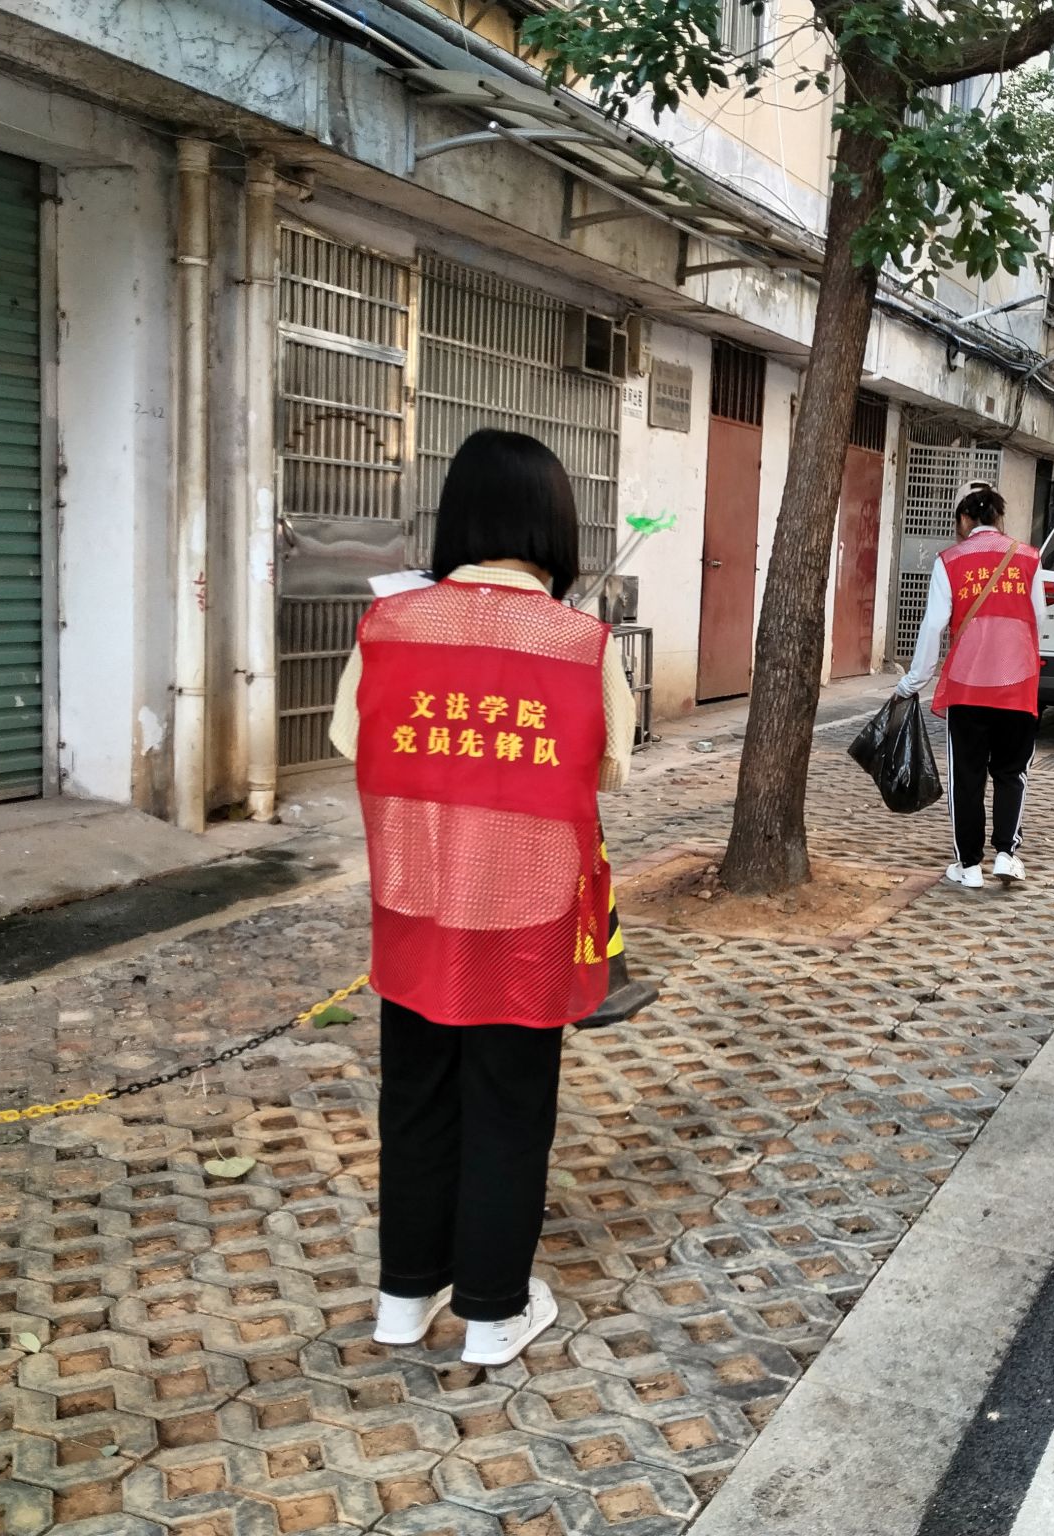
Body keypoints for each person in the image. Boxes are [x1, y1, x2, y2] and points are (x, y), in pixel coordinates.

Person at [329, 429, 635, 1367]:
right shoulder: (581, 642)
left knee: (415, 1100)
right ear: (554, 526)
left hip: (415, 907)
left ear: (457, 516)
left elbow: (348, 740)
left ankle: (404, 1298)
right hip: (524, 915)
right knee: (509, 1107)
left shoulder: (389, 626)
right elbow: (613, 768)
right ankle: (494, 1313)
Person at [898, 486, 1044, 889]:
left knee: (967, 776)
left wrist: (913, 682)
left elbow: (933, 627)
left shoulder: (950, 561)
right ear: (999, 518)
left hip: (967, 688)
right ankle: (1007, 854)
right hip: (1018, 685)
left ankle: (969, 866)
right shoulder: (1030, 558)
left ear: (964, 519)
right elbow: (1038, 621)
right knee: (1012, 772)